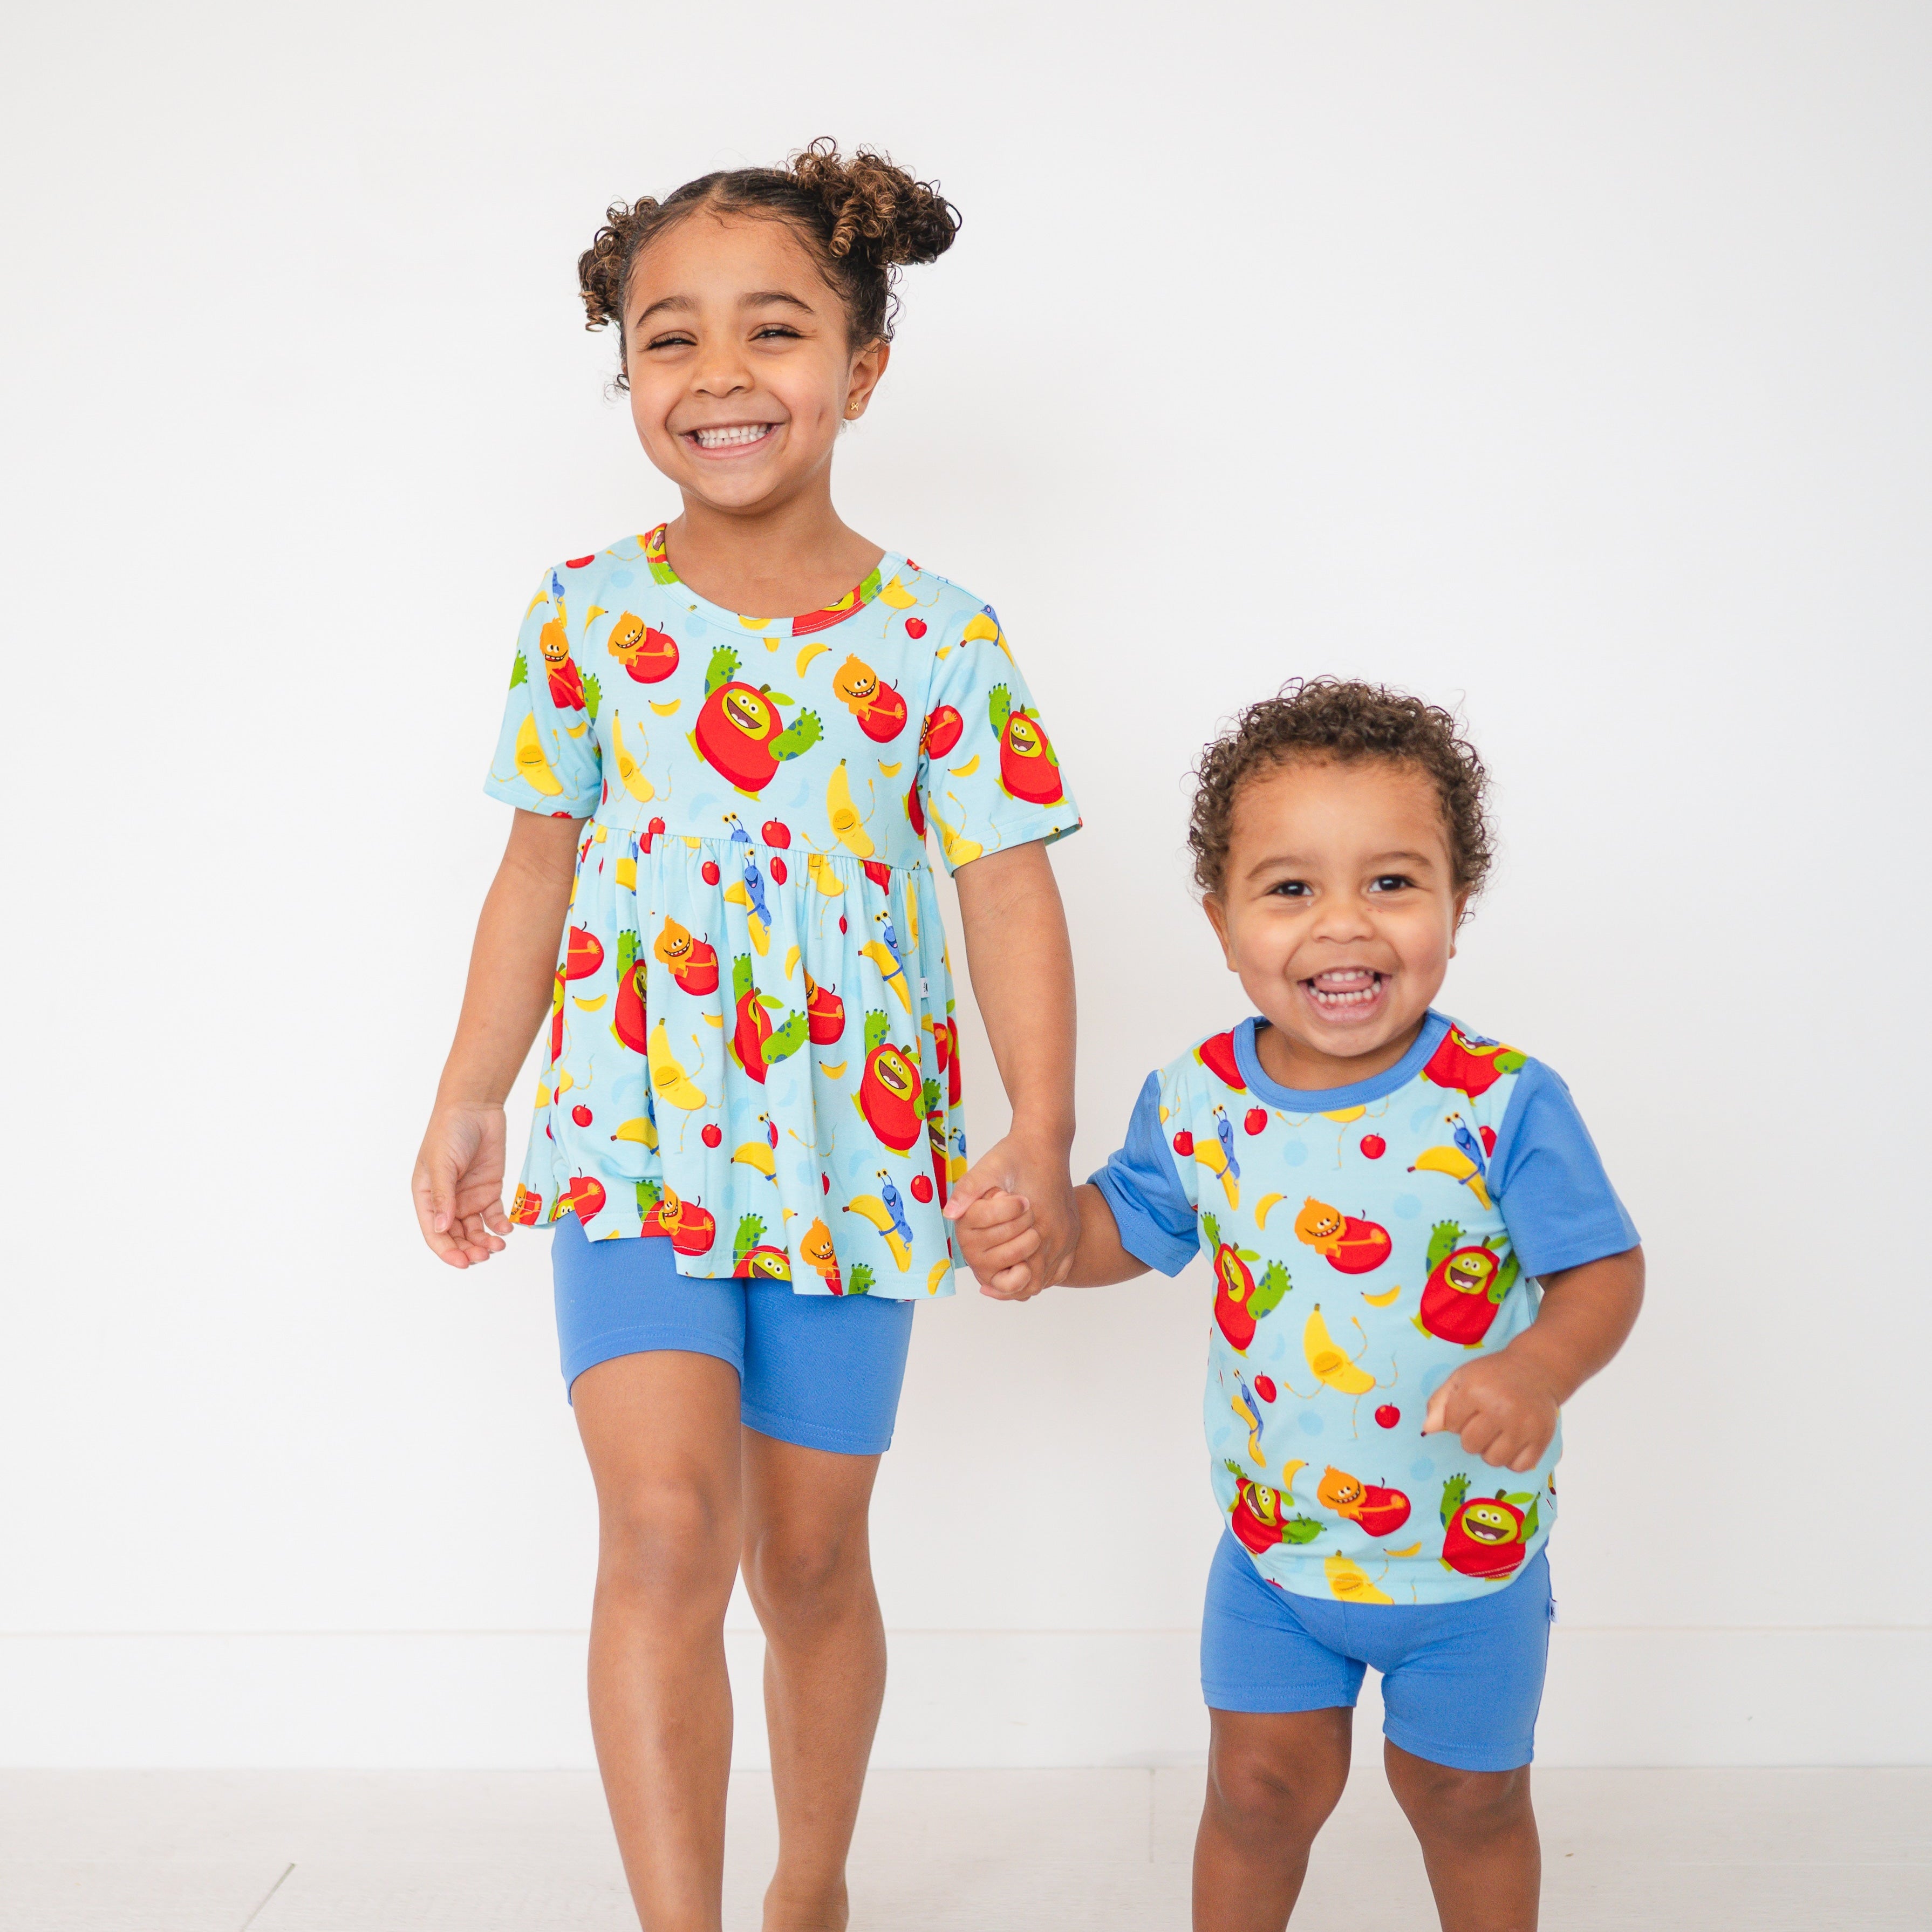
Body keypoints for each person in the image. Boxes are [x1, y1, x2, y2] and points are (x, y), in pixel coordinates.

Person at [412, 141, 1082, 1932]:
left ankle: (808, 1886)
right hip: (631, 1149)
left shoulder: (944, 641)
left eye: (772, 332)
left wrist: (1035, 1131)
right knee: (658, 1535)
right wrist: (475, 1092)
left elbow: (1009, 891)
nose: (717, 376)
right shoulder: (585, 618)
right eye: (666, 339)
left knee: (806, 1558)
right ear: (626, 376)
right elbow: (535, 866)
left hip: (852, 1161)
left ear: (860, 370)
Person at [952, 680, 1643, 1932]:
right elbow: (1130, 1228)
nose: (1344, 926)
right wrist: (1050, 1236)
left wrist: (1540, 1368)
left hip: (1467, 1561)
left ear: (1456, 904)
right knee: (1259, 1793)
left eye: (1392, 883)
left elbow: (1603, 1268)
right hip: (1275, 1555)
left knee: (1466, 1801)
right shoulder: (1200, 1100)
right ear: (1220, 922)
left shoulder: (1502, 1101)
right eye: (1290, 889)